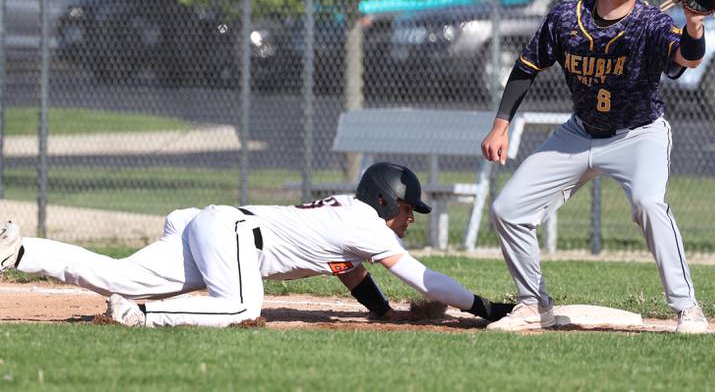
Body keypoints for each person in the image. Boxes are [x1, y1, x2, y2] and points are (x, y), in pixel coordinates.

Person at [480, 0, 708, 334]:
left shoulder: (652, 24)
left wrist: (694, 24)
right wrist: (501, 126)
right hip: (579, 131)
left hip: (638, 135)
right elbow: (526, 67)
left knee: (649, 205)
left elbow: (687, 57)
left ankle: (687, 308)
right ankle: (534, 304)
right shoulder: (566, 17)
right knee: (508, 210)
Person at [0, 162, 512, 328]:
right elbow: (423, 279)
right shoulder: (369, 226)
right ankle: (140, 316)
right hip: (233, 234)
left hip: (213, 224)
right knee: (242, 309)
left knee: (117, 275)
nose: (409, 219)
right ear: (385, 203)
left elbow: (345, 266)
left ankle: (19, 252)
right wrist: (484, 307)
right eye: (407, 210)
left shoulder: (349, 216)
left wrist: (379, 311)